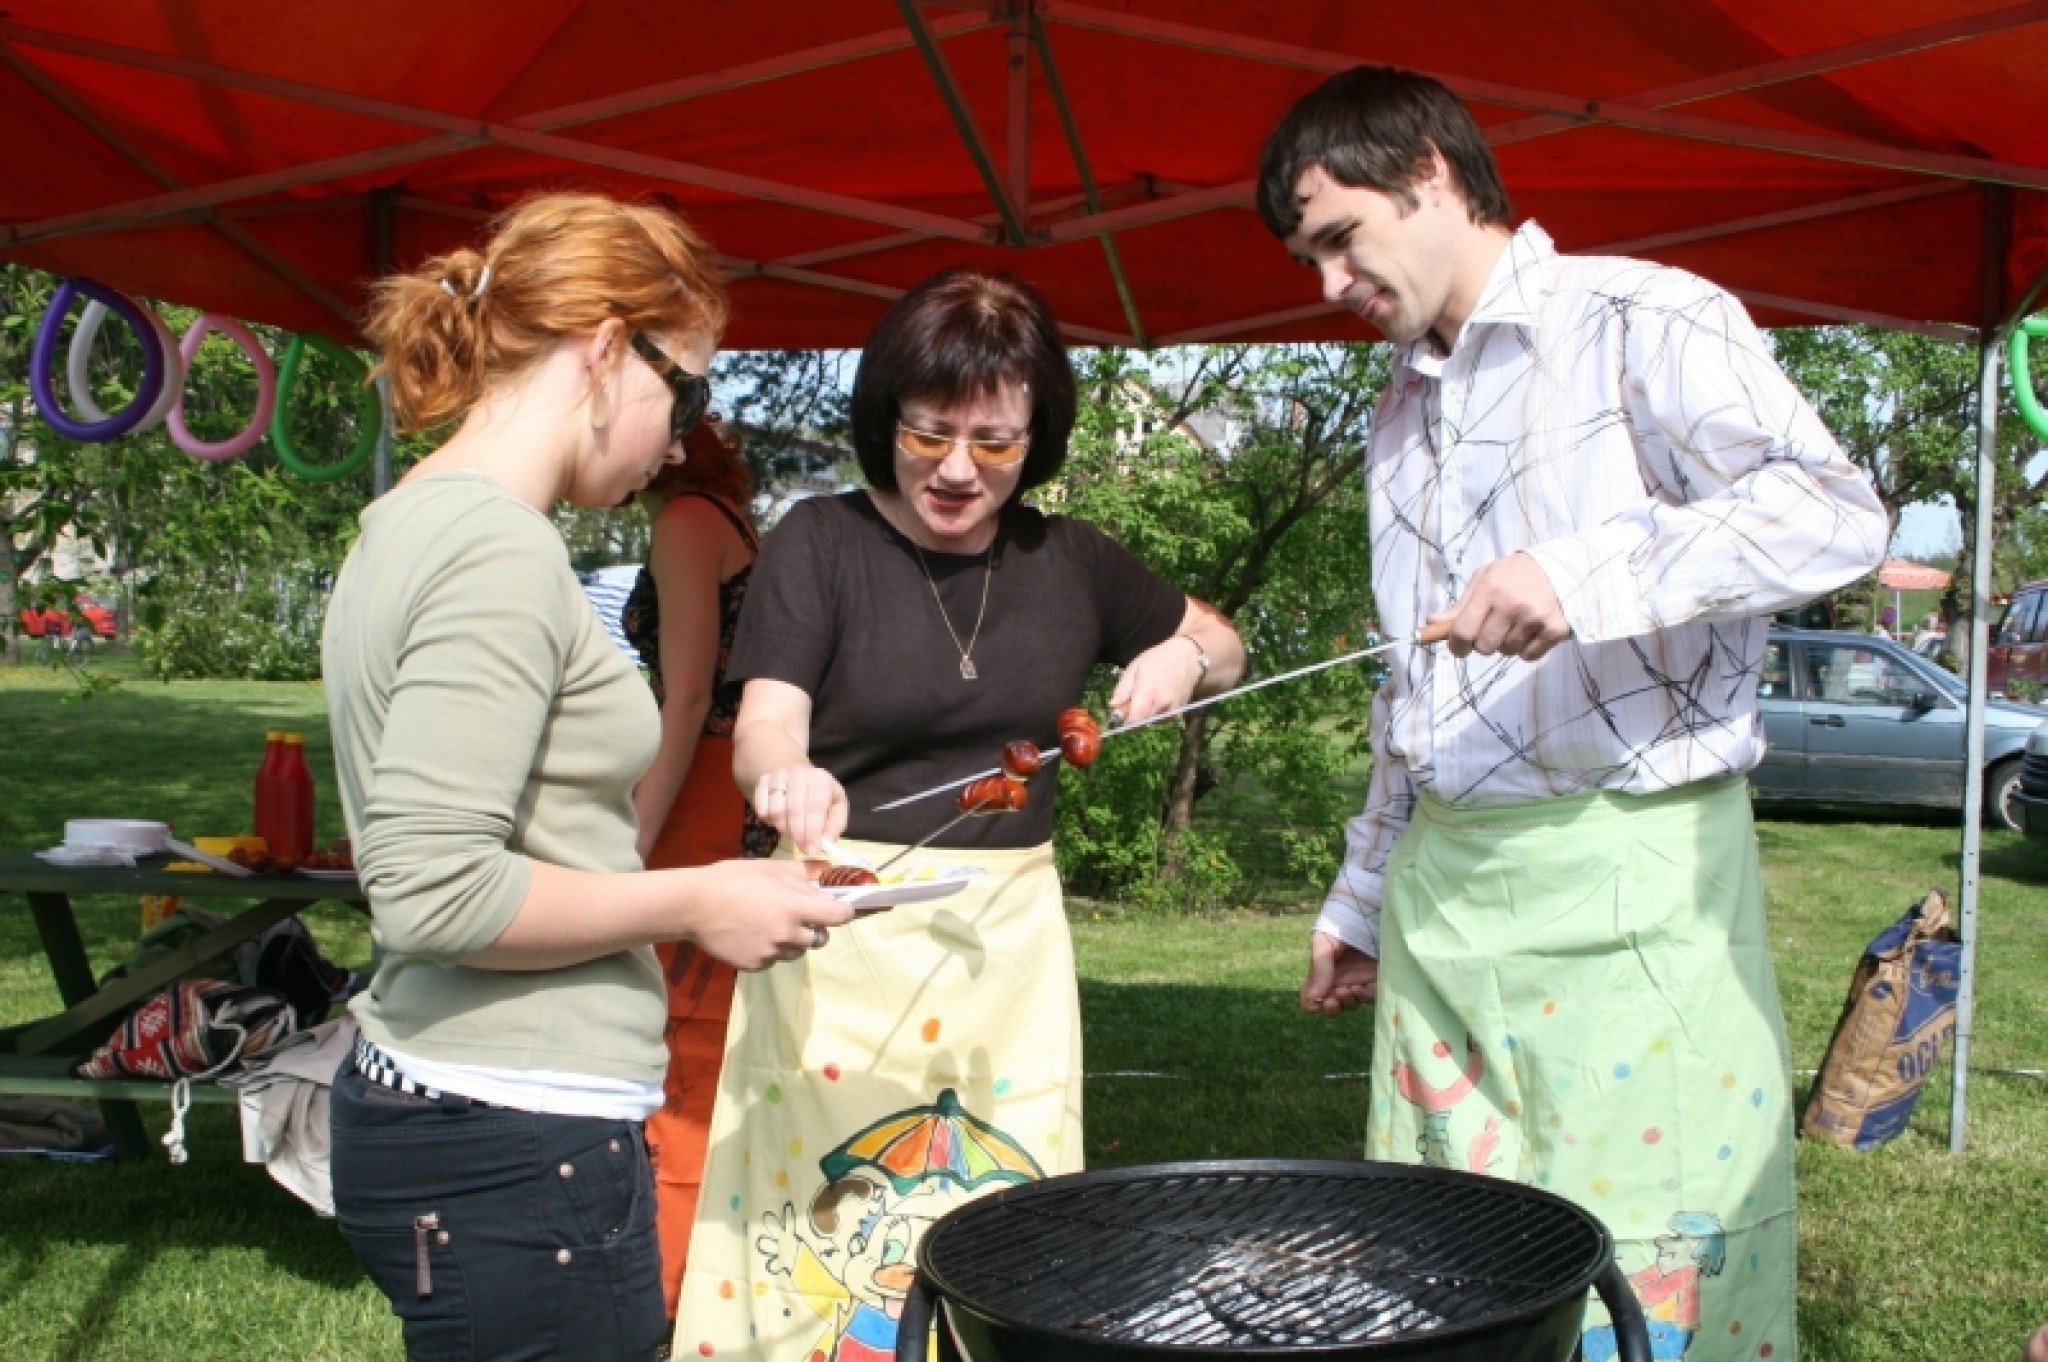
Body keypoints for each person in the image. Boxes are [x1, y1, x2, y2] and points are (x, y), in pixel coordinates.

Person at [1257, 67, 1887, 1360]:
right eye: (1308, 257)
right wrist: (1362, 896)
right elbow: (1409, 687)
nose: (1328, 285)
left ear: (1429, 170)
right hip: (1446, 906)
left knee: (1640, 1271)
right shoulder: (1398, 413)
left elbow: (1836, 514)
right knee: (1456, 1274)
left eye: (1338, 239)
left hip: (1632, 894)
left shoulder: (1646, 319)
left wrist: (1584, 573)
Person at [671, 267, 1244, 1360]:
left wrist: (1181, 651)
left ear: (1037, 438)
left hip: (1005, 946)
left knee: (1002, 1199)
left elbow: (1224, 648)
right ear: (886, 412)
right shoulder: (820, 541)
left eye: (992, 444)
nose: (953, 469)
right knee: (825, 1200)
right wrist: (783, 777)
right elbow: (763, 722)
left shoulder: (1069, 560)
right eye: (929, 433)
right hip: (837, 928)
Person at [323, 193, 850, 1362]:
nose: (680, 441)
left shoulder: (410, 520)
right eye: (691, 390)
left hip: (469, 1118)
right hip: (513, 1143)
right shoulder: (495, 548)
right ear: (609, 348)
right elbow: (433, 892)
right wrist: (697, 898)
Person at [619, 413, 775, 1319]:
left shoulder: (683, 524)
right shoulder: (731, 520)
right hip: (732, 799)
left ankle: (668, 1302)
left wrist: (632, 848)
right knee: (706, 1061)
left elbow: (683, 699)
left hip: (700, 804)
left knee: (680, 1065)